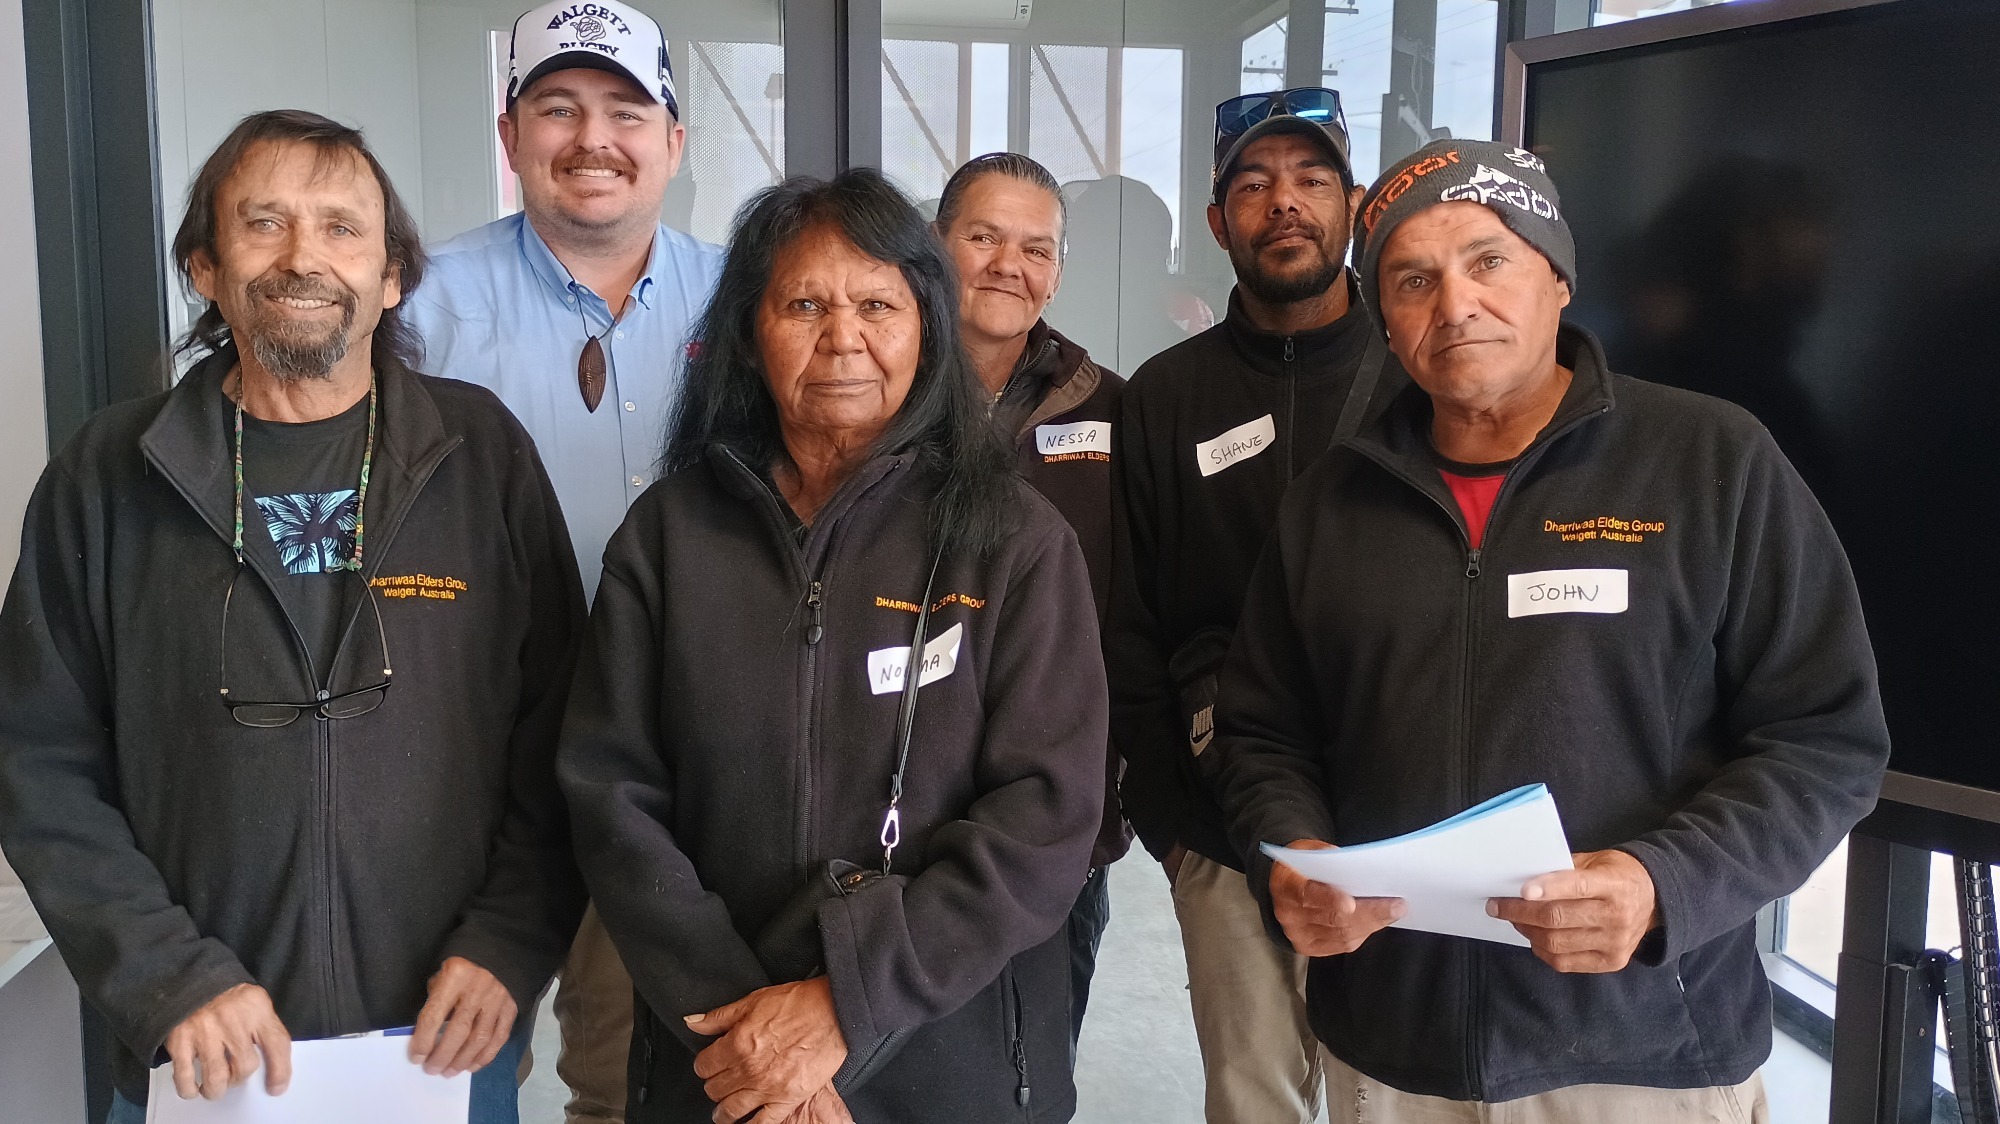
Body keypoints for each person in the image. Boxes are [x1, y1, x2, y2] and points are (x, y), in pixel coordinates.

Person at [1216, 138, 1891, 1119]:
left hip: (1647, 1048)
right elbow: (1261, 731)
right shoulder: (1329, 503)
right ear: (1385, 323)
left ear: (1556, 275)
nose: (1453, 304)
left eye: (1487, 260)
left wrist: (1661, 883)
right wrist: (1293, 847)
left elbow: (1824, 740)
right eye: (1412, 279)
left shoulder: (1711, 462)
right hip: (1399, 1047)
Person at [0, 110, 587, 1123]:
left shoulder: (480, 456)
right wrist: (166, 973)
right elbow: (39, 760)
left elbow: (564, 732)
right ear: (205, 269)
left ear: (393, 275)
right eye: (263, 224)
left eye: (339, 227)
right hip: (198, 1054)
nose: (302, 256)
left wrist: (508, 942)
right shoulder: (105, 476)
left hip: (439, 1039)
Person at [557, 168, 1107, 1123]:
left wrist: (843, 1005)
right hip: (718, 1067)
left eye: (878, 304)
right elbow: (615, 801)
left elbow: (1046, 816)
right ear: (748, 334)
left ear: (926, 327)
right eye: (803, 303)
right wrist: (752, 1041)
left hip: (954, 1060)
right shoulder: (668, 536)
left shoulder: (1016, 540)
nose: (842, 336)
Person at [403, 4, 723, 1119]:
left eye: (627, 111)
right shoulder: (419, 308)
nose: (594, 138)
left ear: (674, 143)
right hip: (468, 761)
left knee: (625, 1065)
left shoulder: (748, 303)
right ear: (510, 133)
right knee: (450, 1057)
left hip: (667, 760)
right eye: (558, 108)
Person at [1105, 87, 1401, 1124]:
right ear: (1215, 220)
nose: (1284, 202)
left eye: (1310, 178)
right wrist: (1173, 825)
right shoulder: (1163, 394)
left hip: (1392, 824)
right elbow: (1126, 621)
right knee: (1250, 1097)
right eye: (1254, 183)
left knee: (1389, 1097)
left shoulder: (1416, 374)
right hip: (1221, 823)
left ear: (1353, 203)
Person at [932, 152, 1128, 1055]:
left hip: (1057, 826)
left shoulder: (1114, 412)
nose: (1011, 264)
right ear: (935, 247)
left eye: (1036, 247)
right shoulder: (864, 397)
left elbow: (1136, 613)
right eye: (984, 237)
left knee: (1032, 1070)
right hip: (895, 818)